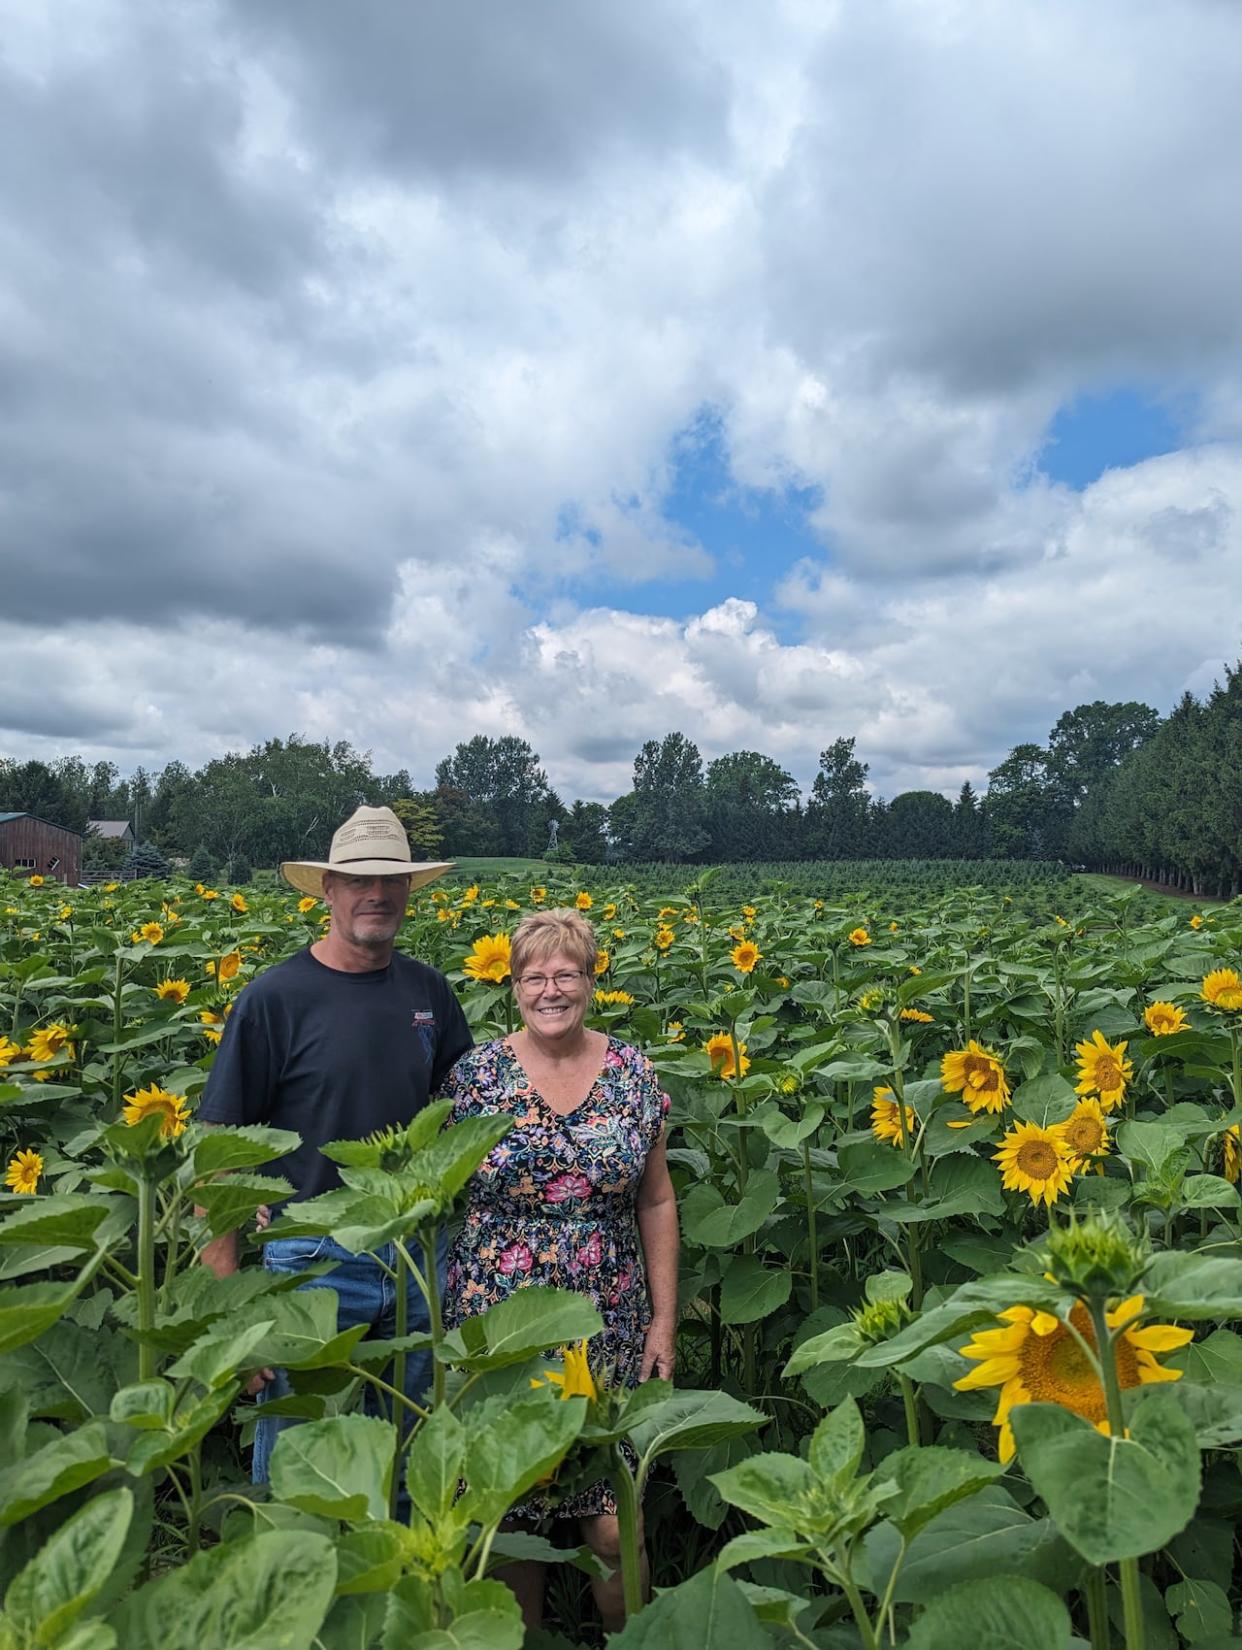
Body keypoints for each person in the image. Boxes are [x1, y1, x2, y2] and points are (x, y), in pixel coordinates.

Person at [196, 804, 471, 1483]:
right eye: (357, 879)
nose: (375, 893)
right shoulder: (276, 999)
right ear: (328, 889)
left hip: (412, 1255)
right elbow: (218, 1154)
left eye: (391, 880)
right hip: (309, 1258)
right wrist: (234, 1309)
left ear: (411, 889)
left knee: (413, 1468)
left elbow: (468, 1107)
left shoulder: (428, 991)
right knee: (301, 1471)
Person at [441, 907, 679, 1634]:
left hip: (606, 1321)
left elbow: (657, 1196)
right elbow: (432, 1179)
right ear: (511, 986)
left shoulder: (633, 1072)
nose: (550, 989)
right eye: (533, 975)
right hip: (501, 1322)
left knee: (615, 1528)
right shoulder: (476, 1077)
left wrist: (664, 1320)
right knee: (509, 1528)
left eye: (566, 973)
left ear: (590, 981)